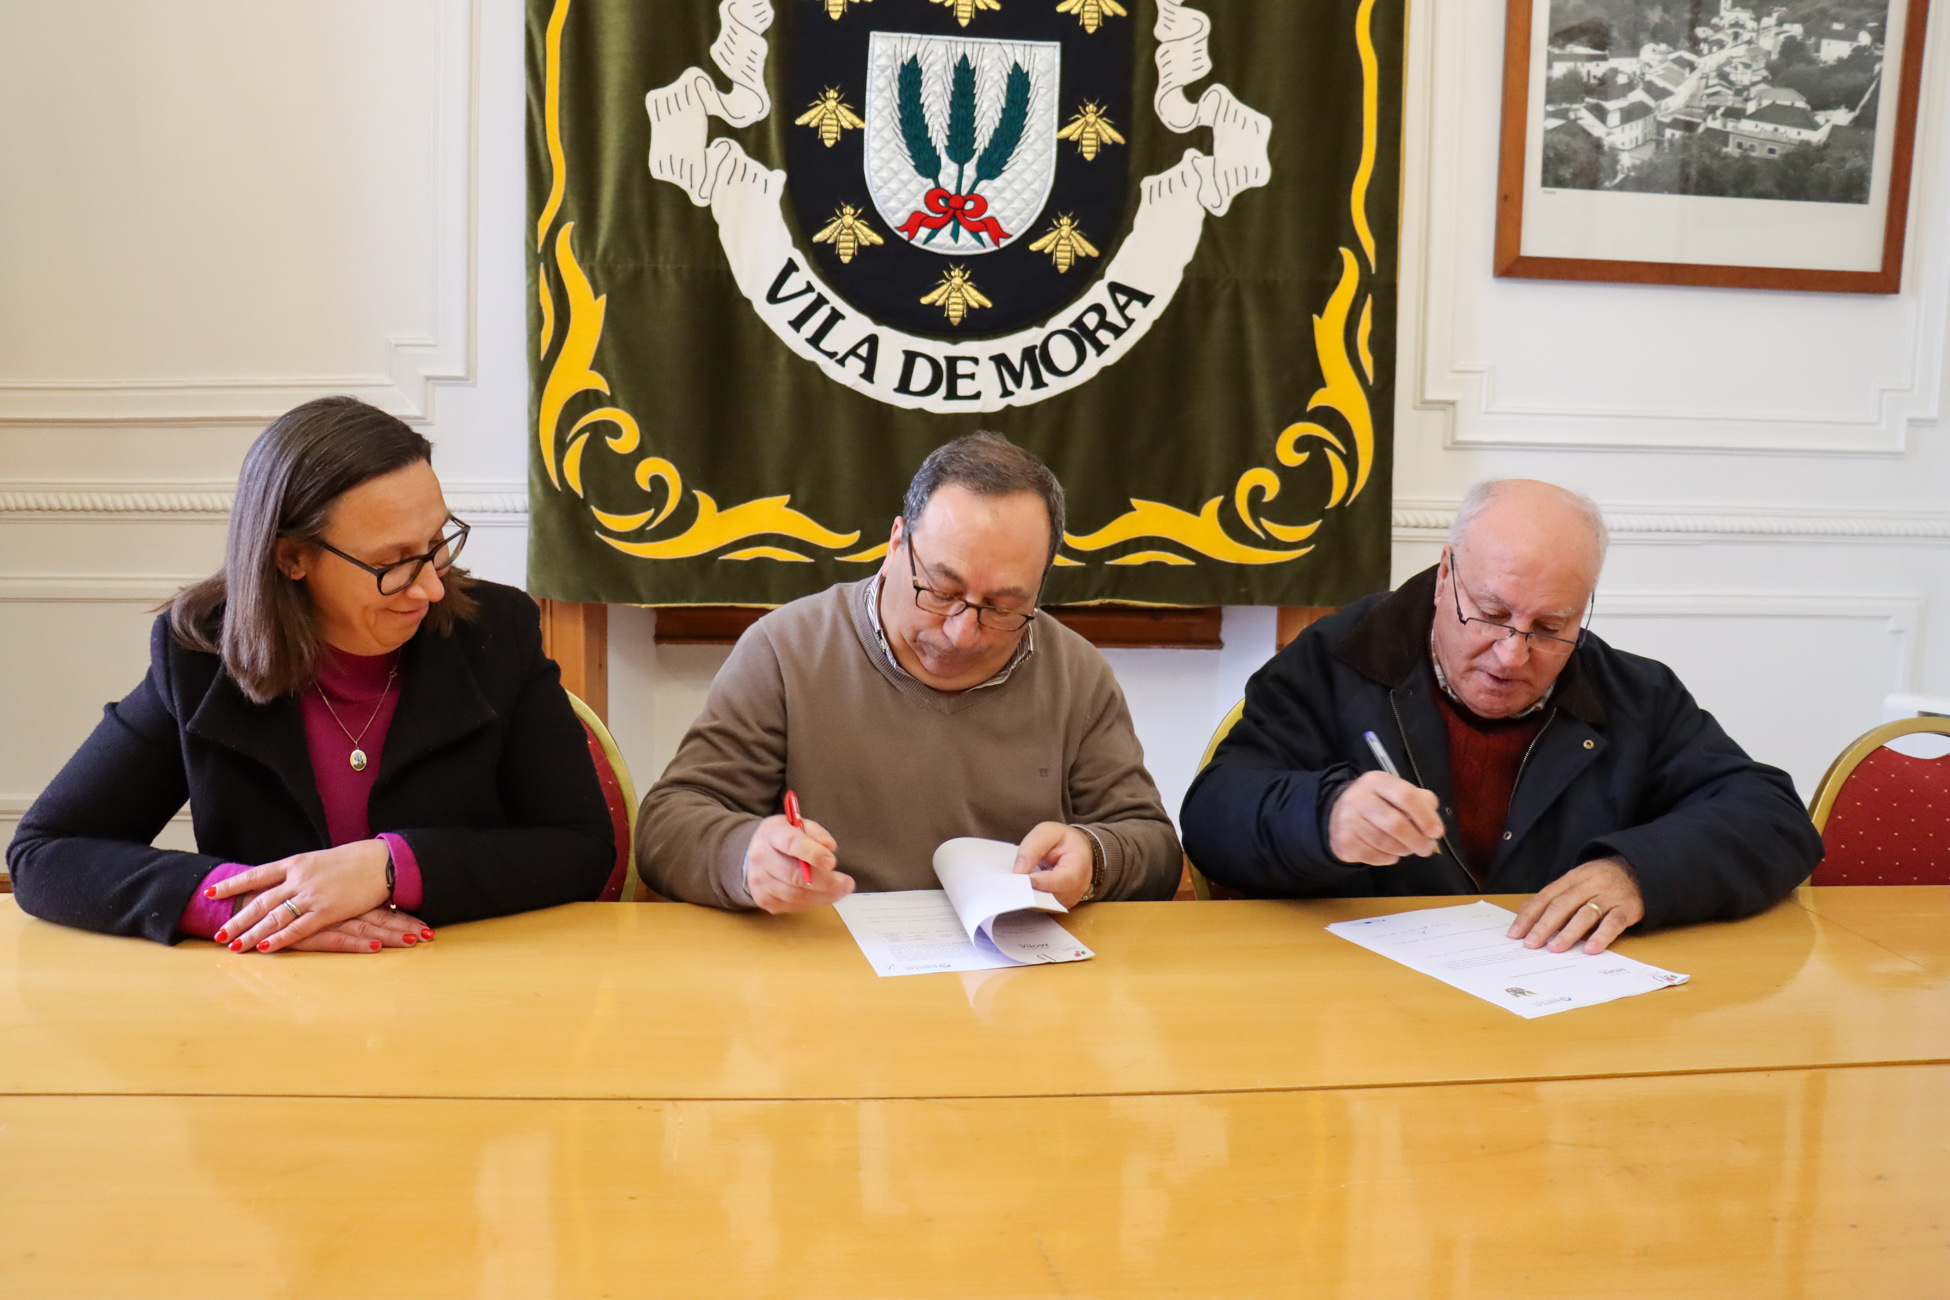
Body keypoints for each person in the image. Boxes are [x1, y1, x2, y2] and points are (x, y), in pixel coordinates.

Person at [7, 397, 616, 950]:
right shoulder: (199, 656)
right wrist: (250, 905)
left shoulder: (495, 631)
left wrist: (389, 867)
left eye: (436, 543)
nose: (432, 587)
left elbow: (582, 847)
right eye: (393, 563)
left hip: (471, 983)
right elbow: (46, 853)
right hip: (269, 997)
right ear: (292, 558)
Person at [1181, 479, 1822, 954]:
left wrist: (1637, 872)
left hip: (1553, 1007)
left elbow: (1773, 819)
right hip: (1361, 1005)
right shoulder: (1338, 660)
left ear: (1583, 609)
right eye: (1489, 615)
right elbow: (1212, 816)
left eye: (1550, 625)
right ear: (1445, 575)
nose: (1513, 654)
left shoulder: (1631, 692)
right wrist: (1323, 818)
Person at [639, 432, 1183, 911]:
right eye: (941, 591)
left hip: (1012, 972)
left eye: (1003, 607)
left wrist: (1094, 858)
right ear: (896, 543)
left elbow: (1154, 846)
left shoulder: (1076, 675)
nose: (961, 633)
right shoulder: (787, 651)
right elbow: (666, 826)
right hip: (825, 966)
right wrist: (744, 857)